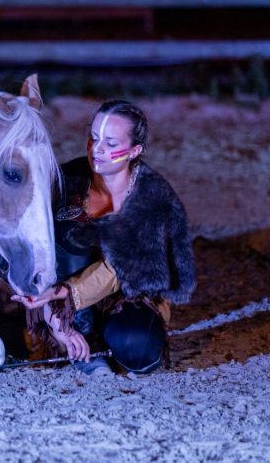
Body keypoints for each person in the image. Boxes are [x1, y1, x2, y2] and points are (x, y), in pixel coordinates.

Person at [12, 100, 196, 374]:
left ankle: (109, 338)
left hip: (127, 294)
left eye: (110, 144)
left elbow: (118, 269)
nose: (97, 150)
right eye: (93, 138)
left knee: (136, 346)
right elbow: (21, 242)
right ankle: (77, 340)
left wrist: (64, 294)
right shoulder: (64, 180)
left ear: (135, 151)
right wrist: (53, 318)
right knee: (72, 238)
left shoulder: (153, 198)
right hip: (62, 296)